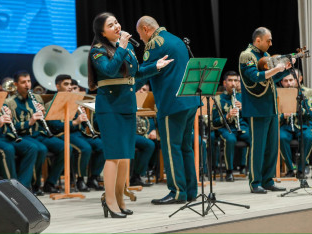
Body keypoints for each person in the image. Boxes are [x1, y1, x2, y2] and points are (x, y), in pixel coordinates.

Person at [88, 12, 172, 218]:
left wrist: (155, 67)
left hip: (127, 104)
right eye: (111, 25)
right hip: (109, 106)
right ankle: (109, 201)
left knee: (125, 156)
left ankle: (120, 198)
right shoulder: (98, 51)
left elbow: (135, 73)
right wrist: (122, 48)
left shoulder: (127, 47)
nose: (117, 26)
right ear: (102, 32)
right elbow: (109, 70)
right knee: (113, 156)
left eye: (117, 22)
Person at [136, 16, 200, 204]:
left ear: (146, 29)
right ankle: (190, 191)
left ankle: (177, 192)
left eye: (140, 35)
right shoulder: (176, 39)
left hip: (172, 104)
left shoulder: (155, 43)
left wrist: (127, 87)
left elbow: (145, 71)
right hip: (189, 100)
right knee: (185, 147)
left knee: (172, 149)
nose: (141, 39)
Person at [239, 27, 292, 193]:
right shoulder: (247, 55)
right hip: (257, 108)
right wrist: (276, 69)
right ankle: (255, 183)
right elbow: (254, 76)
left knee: (271, 146)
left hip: (271, 107)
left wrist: (286, 69)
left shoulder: (266, 56)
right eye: (268, 40)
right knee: (258, 147)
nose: (271, 43)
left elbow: (272, 79)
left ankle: (268, 180)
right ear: (258, 40)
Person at [5, 71, 66, 195]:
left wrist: (43, 114)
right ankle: (34, 185)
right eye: (23, 82)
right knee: (40, 149)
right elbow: (12, 127)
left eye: (28, 81)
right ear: (16, 84)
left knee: (65, 147)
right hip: (23, 136)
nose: (27, 85)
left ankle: (50, 183)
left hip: (39, 134)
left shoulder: (37, 98)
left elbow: (43, 121)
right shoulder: (10, 102)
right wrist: (30, 121)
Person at [0, 73, 38, 191]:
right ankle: (13, 189)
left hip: (2, 136)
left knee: (31, 147)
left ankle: (23, 187)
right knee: (7, 149)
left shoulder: (0, 100)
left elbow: (9, 126)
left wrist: (9, 118)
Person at [46, 74, 105, 192]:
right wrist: (74, 122)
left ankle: (93, 178)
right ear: (58, 86)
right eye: (66, 84)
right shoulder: (51, 104)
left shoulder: (74, 102)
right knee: (85, 148)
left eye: (70, 84)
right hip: (63, 134)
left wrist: (83, 118)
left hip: (78, 133)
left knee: (102, 146)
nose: (69, 87)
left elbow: (81, 125)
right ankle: (80, 179)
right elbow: (55, 126)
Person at [212, 71, 250, 182]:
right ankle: (229, 171)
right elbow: (214, 122)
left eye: (236, 81)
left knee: (254, 137)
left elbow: (251, 118)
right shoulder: (218, 99)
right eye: (230, 80)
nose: (233, 83)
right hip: (226, 128)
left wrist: (244, 109)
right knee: (230, 139)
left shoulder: (243, 97)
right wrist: (227, 116)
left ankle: (250, 169)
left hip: (241, 127)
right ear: (224, 83)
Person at [279, 70, 312, 178]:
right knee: (281, 137)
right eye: (286, 81)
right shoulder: (279, 93)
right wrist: (283, 115)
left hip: (302, 124)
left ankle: (301, 169)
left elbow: (310, 113)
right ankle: (290, 169)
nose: (289, 83)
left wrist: (299, 110)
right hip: (286, 125)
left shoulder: (307, 92)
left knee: (308, 137)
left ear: (296, 80)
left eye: (291, 80)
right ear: (281, 82)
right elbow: (275, 113)